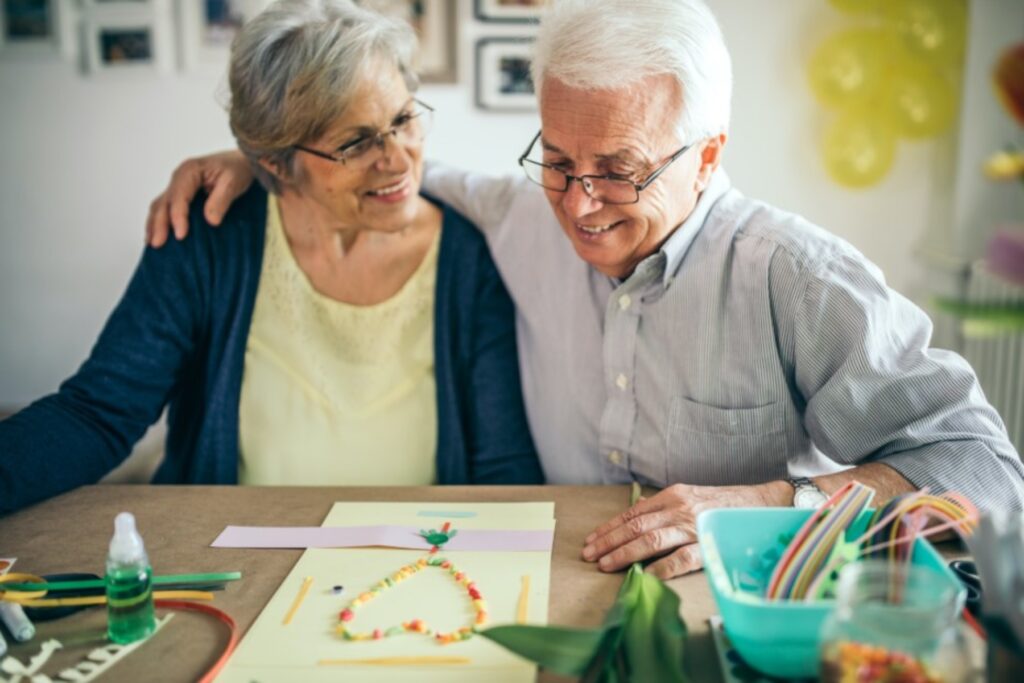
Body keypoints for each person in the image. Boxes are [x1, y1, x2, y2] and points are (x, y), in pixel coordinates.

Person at [146, 0, 1024, 579]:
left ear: (708, 155)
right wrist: (269, 168)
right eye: (557, 161)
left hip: (729, 607)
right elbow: (401, 171)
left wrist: (774, 502)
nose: (579, 204)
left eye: (619, 171)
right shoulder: (520, 214)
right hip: (552, 580)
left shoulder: (794, 274)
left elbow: (985, 469)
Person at [0, 0, 543, 515]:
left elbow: (504, 468)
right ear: (276, 163)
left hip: (418, 565)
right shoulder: (207, 238)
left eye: (403, 120)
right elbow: (98, 414)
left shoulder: (468, 258)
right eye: (355, 144)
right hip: (230, 560)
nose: (398, 161)